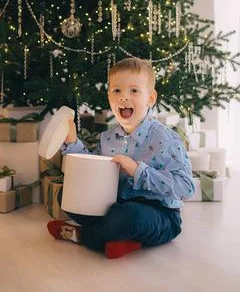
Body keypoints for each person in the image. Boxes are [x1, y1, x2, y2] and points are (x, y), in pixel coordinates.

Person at [47, 57, 195, 258]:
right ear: (109, 97)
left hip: (160, 215)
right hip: (116, 206)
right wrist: (72, 141)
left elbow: (186, 187)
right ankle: (121, 239)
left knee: (127, 217)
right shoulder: (108, 138)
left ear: (150, 99)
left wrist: (138, 171)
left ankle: (84, 235)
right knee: (65, 195)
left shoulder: (165, 139)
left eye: (134, 90)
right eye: (117, 90)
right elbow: (93, 173)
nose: (124, 97)